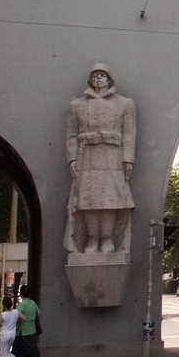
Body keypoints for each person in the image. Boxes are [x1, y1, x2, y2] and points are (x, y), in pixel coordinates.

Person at [64, 63, 136, 255]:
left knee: (111, 200)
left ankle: (106, 239)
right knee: (88, 200)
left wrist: (128, 159)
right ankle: (92, 239)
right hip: (86, 155)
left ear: (109, 79)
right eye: (95, 75)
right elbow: (71, 135)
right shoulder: (77, 105)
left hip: (113, 156)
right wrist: (72, 159)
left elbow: (129, 134)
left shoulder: (125, 103)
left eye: (102, 75)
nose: (98, 78)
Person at [12, 285, 41, 357]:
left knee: (17, 351)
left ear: (21, 294)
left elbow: (17, 316)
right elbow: (38, 313)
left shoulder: (22, 305)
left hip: (22, 331)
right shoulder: (33, 303)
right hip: (32, 330)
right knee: (31, 349)